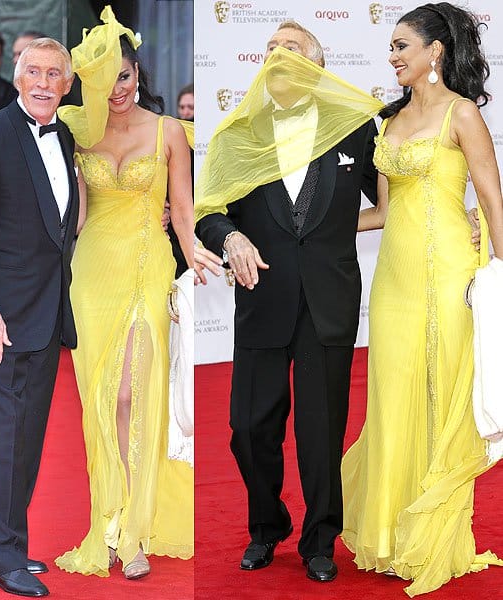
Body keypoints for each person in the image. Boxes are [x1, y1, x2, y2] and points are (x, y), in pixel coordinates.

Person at [196, 20, 381, 583]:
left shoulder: (356, 130)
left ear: (316, 64)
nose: (279, 55)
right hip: (261, 298)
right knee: (249, 429)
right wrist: (230, 236)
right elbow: (208, 212)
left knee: (322, 431)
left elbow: (395, 201)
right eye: (272, 48)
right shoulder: (238, 133)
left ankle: (320, 539)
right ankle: (266, 527)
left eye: (292, 48)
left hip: (329, 300)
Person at [341, 3, 503, 596]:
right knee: (393, 392)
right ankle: (389, 534)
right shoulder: (387, 123)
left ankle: (433, 536)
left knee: (443, 393)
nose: (393, 56)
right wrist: (313, 228)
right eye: (390, 47)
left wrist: (501, 277)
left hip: (449, 273)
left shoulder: (462, 114)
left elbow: (491, 196)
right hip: (395, 280)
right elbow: (381, 213)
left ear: (436, 51)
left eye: (403, 45)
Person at [54, 7, 194, 579]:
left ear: (140, 74)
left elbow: (183, 209)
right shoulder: (76, 131)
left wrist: (197, 249)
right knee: (101, 399)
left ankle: (133, 532)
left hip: (146, 267)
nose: (117, 88)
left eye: (126, 75)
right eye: (106, 77)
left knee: (134, 394)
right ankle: (107, 518)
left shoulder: (168, 131)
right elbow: (74, 215)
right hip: (91, 273)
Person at [0, 37, 77, 598]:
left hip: (45, 315)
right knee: (1, 436)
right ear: (17, 77)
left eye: (56, 74)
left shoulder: (66, 135)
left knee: (24, 438)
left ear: (67, 85)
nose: (45, 82)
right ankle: (7, 560)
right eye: (35, 72)